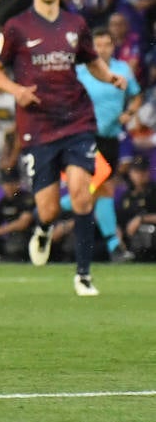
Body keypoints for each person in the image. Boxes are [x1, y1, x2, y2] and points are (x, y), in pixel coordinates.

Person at [0, 0, 128, 296]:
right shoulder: (16, 27)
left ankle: (83, 275)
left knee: (82, 194)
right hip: (38, 127)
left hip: (78, 119)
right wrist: (16, 90)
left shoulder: (76, 25)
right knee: (47, 208)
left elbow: (91, 61)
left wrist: (109, 77)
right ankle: (44, 228)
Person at [75, 27, 140, 259]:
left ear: (113, 46)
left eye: (106, 44)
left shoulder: (122, 69)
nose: (102, 49)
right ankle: (114, 246)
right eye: (98, 45)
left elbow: (136, 95)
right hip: (86, 135)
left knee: (100, 190)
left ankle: (47, 210)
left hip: (111, 136)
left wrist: (129, 112)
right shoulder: (81, 69)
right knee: (101, 187)